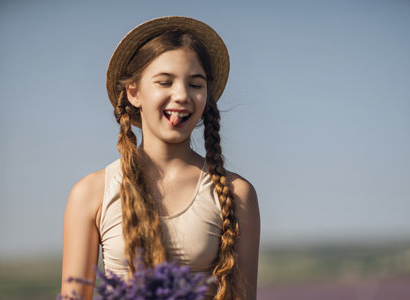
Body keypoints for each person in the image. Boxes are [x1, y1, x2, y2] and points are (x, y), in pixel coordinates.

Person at [60, 16, 260, 300]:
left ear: (206, 96)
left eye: (195, 84)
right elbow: (74, 295)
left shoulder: (236, 193)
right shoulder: (91, 194)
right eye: (164, 82)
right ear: (134, 93)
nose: (181, 95)